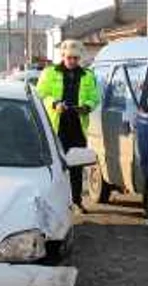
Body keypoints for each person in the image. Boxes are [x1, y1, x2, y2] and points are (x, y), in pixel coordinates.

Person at [36, 39, 100, 214]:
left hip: (77, 126)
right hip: (57, 127)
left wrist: (86, 106)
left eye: (76, 58)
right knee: (56, 168)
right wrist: (55, 104)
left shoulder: (87, 75)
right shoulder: (50, 73)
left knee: (77, 166)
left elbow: (95, 97)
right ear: (63, 56)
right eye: (69, 57)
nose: (72, 61)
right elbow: (41, 94)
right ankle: (56, 203)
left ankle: (77, 201)